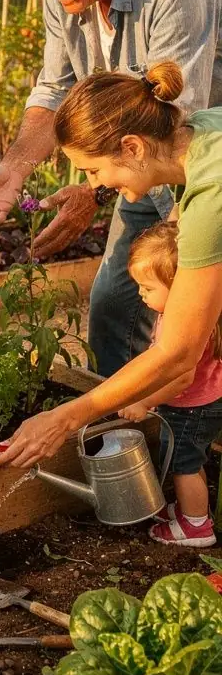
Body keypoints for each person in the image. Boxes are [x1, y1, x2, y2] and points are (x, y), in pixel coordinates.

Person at [0, 0, 222, 378]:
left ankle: (186, 436)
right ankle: (127, 427)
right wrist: (15, 168)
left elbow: (169, 121)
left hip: (195, 166)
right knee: (114, 307)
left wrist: (94, 193)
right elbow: (55, 90)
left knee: (194, 328)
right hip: (138, 168)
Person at [0, 63, 222, 520]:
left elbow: (178, 354)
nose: (95, 185)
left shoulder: (213, 193)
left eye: (93, 170)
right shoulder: (201, 131)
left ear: (132, 146)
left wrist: (66, 417)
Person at [120, 222, 220, 547]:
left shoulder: (179, 324)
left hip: (192, 406)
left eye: (147, 288)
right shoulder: (192, 311)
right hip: (203, 401)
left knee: (184, 464)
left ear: (177, 286)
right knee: (190, 457)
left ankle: (196, 527)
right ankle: (191, 511)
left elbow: (179, 377)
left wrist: (144, 402)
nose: (140, 294)